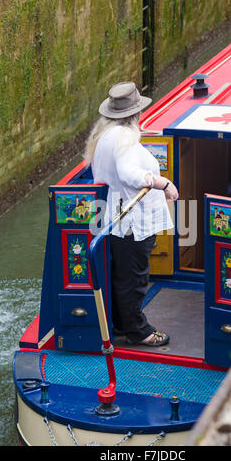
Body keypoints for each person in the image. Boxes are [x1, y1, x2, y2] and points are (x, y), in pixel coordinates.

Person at [84, 81, 178, 347]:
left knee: (123, 276)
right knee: (135, 277)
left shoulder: (106, 135)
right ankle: (139, 331)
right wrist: (164, 183)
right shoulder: (125, 137)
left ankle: (123, 326)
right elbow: (129, 174)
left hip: (117, 219)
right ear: (135, 114)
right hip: (131, 220)